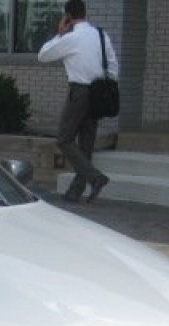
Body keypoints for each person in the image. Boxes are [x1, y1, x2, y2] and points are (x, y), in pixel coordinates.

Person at [38, 0, 118, 203]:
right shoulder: (101, 35)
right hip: (99, 92)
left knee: (64, 139)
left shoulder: (71, 38)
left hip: (80, 92)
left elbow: (43, 56)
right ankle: (75, 191)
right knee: (86, 144)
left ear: (68, 17)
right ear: (85, 13)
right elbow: (114, 67)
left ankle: (95, 178)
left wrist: (60, 34)